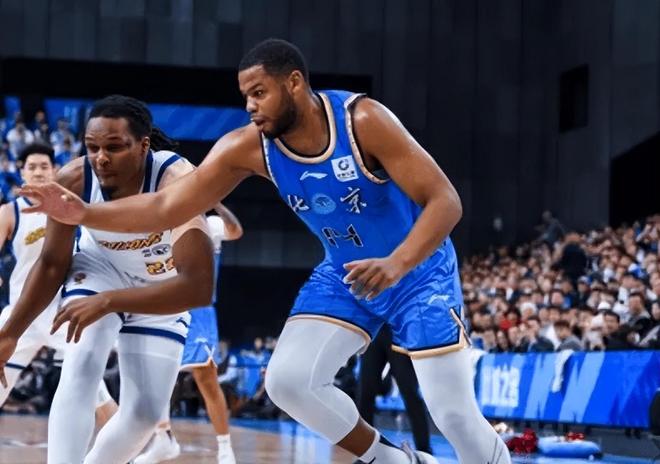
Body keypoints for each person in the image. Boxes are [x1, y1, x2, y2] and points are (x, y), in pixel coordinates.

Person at [14, 39, 512, 464]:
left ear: (294, 83)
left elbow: (446, 201)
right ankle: (391, 459)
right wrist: (83, 213)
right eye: (245, 97)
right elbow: (167, 206)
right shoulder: (247, 147)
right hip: (347, 274)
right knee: (288, 381)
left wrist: (397, 263)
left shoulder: (363, 120)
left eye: (259, 93)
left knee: (451, 414)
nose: (250, 106)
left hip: (417, 270)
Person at [0, 96, 215, 464]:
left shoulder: (178, 180)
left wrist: (109, 301)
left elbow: (198, 287)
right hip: (101, 269)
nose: (101, 158)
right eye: (92, 147)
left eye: (114, 147)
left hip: (162, 287)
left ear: (143, 145)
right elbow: (51, 264)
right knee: (82, 362)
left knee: (144, 416)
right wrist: (10, 334)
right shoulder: (74, 179)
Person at [0, 143, 117, 422]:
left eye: (44, 166)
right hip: (20, 315)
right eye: (32, 167)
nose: (38, 172)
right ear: (22, 172)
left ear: (55, 170)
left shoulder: (72, 206)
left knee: (96, 394)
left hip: (62, 314)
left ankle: (134, 446)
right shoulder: (9, 212)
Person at [136, 210, 243, 464]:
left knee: (206, 379)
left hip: (198, 310)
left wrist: (216, 203)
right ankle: (163, 438)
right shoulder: (159, 221)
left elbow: (235, 231)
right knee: (155, 378)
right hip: (165, 307)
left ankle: (225, 448)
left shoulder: (210, 224)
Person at [355, 325, 432, 458]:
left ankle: (425, 451)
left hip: (399, 330)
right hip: (375, 329)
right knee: (365, 390)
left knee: (410, 393)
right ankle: (365, 451)